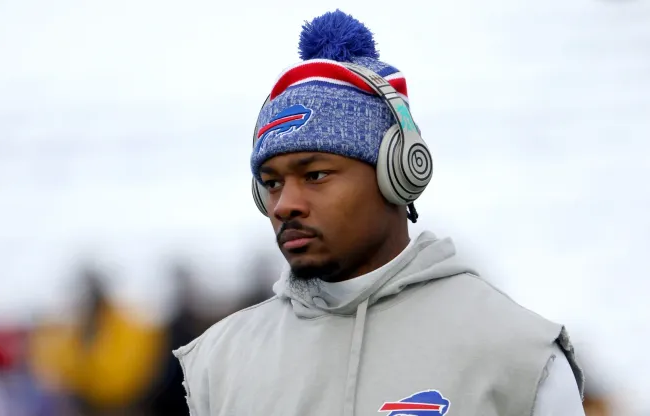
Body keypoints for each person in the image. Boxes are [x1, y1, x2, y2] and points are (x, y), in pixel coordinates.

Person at [174, 10, 585, 416]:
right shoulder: (217, 362)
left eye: (315, 174)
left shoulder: (520, 357)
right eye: (272, 182)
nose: (284, 205)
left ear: (398, 172)